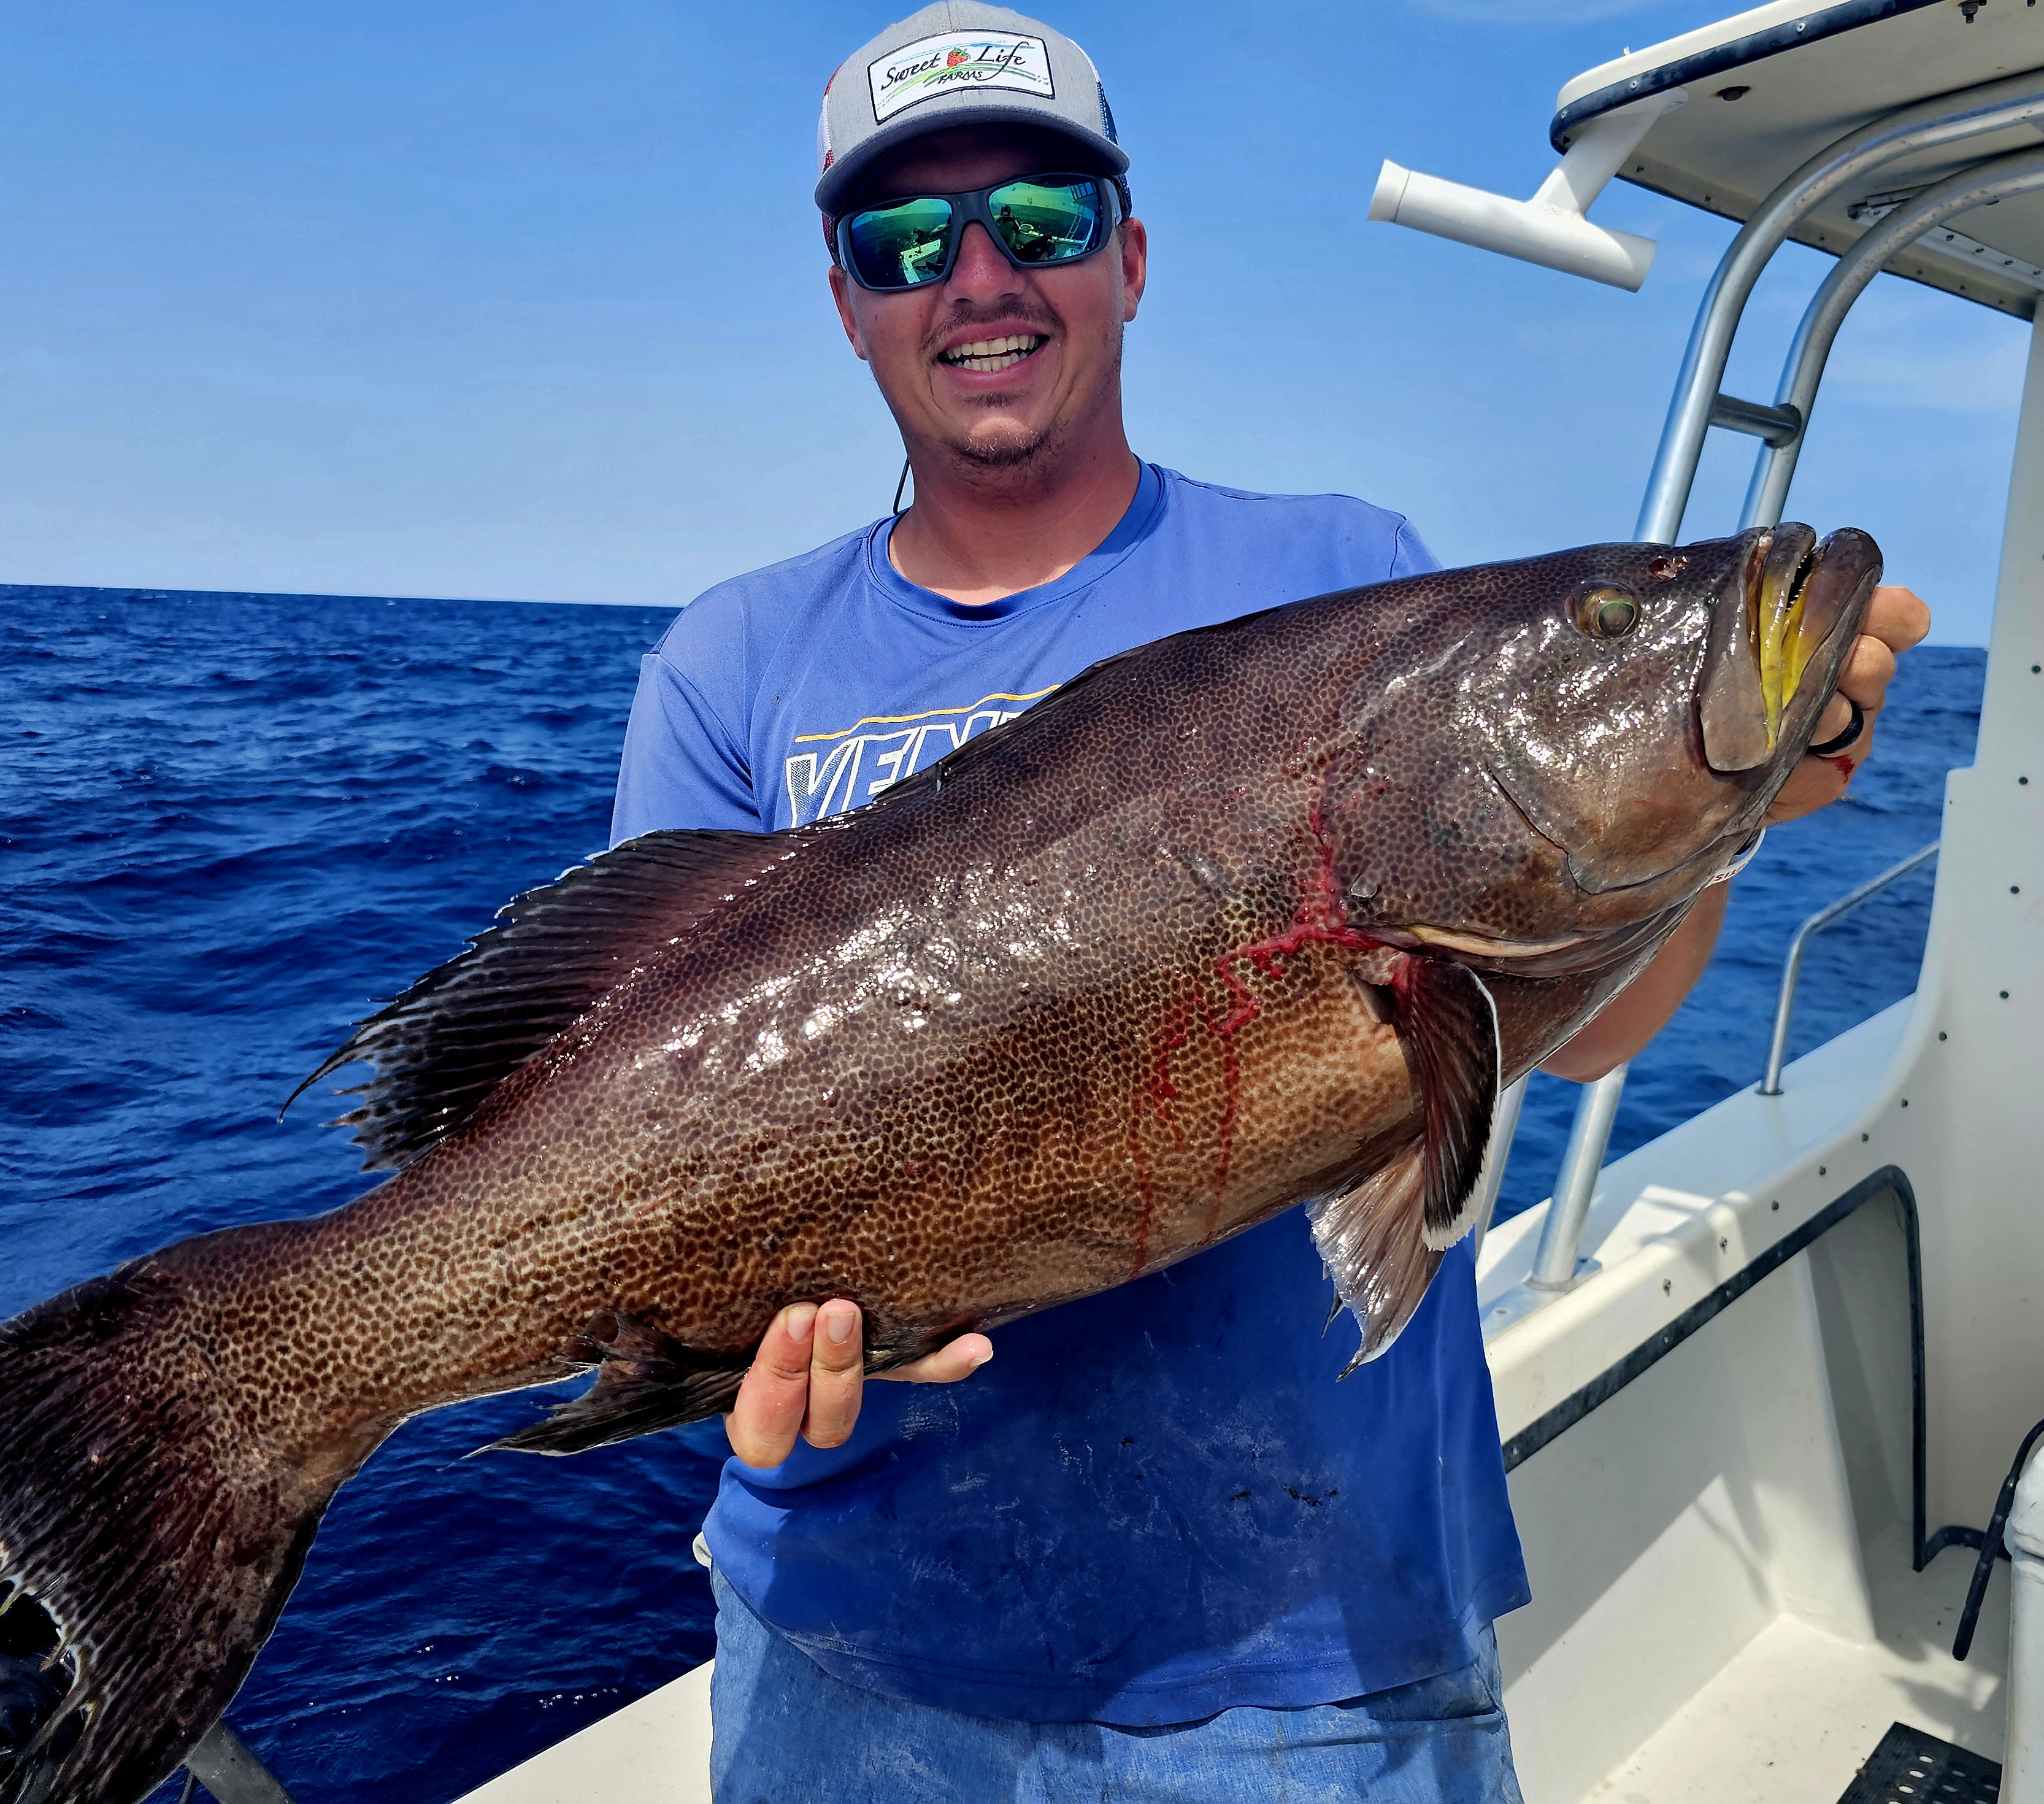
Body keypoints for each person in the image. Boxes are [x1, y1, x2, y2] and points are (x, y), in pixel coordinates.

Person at [606, 7, 1931, 1797]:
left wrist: (1733, 805)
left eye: (1042, 220)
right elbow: (622, 1106)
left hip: (1304, 1660)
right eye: (905, 241)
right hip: (851, 1650)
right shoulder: (727, 664)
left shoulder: (1343, 572)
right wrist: (692, 1347)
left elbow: (1593, 1013)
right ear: (844, 298)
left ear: (1131, 259)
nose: (978, 276)